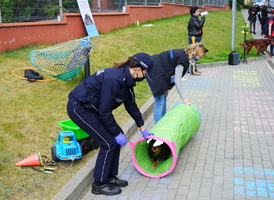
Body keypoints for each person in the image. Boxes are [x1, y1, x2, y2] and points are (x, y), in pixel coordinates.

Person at [66, 53, 155, 196]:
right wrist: (115, 133)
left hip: (93, 108)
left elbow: (131, 105)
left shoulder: (127, 79)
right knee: (108, 143)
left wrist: (142, 127)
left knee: (114, 140)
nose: (145, 77)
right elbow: (105, 111)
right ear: (138, 69)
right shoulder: (114, 79)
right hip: (79, 108)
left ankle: (110, 177)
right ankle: (99, 184)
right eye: (145, 73)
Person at [147, 42, 209, 124]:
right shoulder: (182, 59)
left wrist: (166, 88)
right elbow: (177, 81)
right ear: (195, 51)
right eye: (199, 56)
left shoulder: (184, 54)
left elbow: (168, 69)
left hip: (159, 71)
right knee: (160, 102)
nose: (199, 58)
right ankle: (158, 127)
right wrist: (184, 98)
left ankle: (162, 123)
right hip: (154, 71)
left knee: (163, 100)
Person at [187, 6, 206, 76]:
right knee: (193, 54)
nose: (199, 13)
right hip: (193, 38)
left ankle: (193, 69)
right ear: (193, 13)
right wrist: (203, 18)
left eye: (199, 11)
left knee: (195, 53)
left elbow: (199, 25)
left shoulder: (195, 18)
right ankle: (192, 70)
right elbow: (199, 26)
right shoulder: (193, 19)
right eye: (197, 12)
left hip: (197, 37)